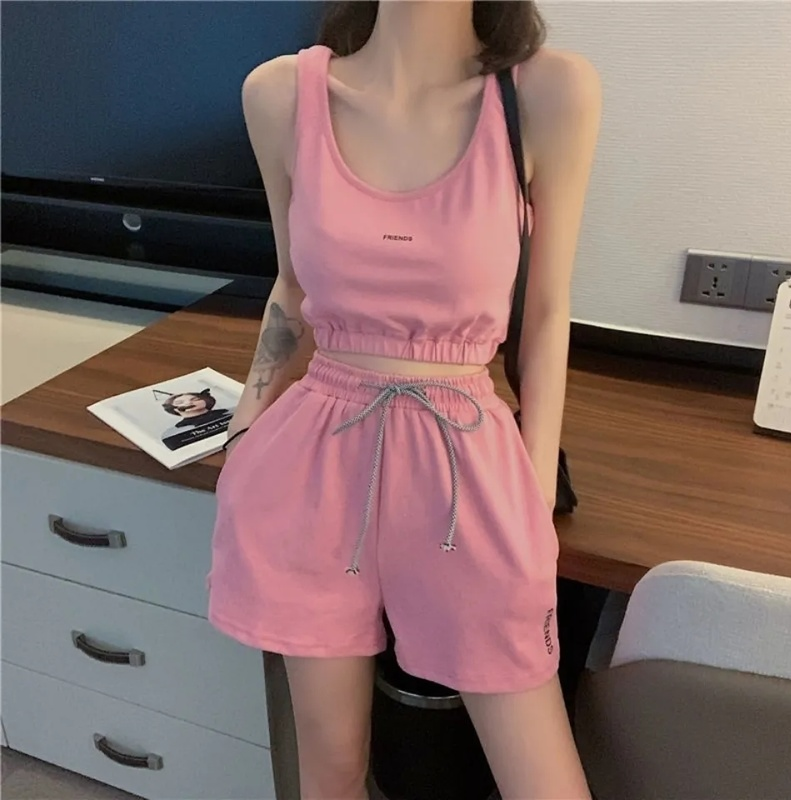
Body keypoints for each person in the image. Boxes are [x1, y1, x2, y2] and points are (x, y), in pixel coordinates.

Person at [207, 1, 601, 797]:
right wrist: (244, 433)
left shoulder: (547, 94)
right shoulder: (279, 95)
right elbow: (292, 286)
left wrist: (529, 490)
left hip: (466, 464)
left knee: (543, 783)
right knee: (330, 769)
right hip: (315, 461)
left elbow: (546, 311)